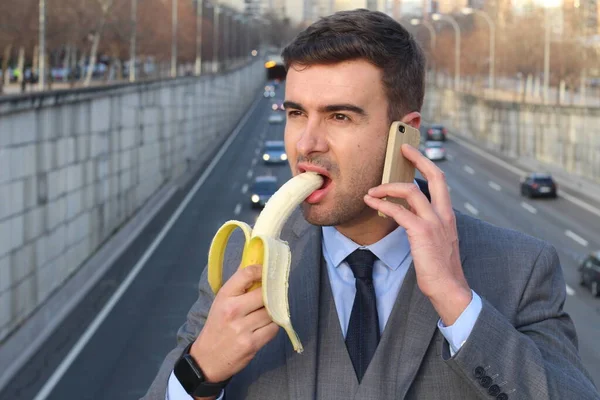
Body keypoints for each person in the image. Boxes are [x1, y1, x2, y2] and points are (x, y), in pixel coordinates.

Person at [143, 9, 599, 400]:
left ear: (405, 133)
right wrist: (200, 371)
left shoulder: (520, 268)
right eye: (297, 113)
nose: (306, 144)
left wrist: (459, 305)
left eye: (339, 116)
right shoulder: (242, 267)